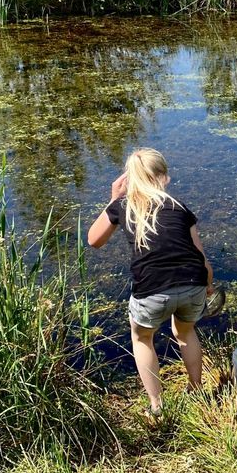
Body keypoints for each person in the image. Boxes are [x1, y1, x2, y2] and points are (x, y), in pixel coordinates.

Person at [87, 148, 215, 418]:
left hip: (152, 289)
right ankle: (197, 389)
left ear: (129, 180)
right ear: (164, 178)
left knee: (142, 337)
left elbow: (94, 240)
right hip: (193, 283)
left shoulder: (123, 206)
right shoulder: (180, 208)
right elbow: (201, 257)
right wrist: (209, 285)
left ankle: (157, 406)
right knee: (185, 331)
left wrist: (113, 199)